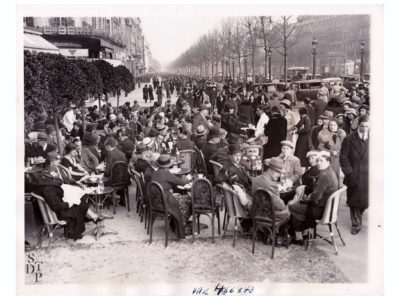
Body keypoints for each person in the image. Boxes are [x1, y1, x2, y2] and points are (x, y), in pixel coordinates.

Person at [288, 151, 338, 245]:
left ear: (328, 162)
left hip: (321, 210)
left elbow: (315, 198)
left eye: (321, 161)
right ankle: (306, 232)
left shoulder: (324, 176)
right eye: (318, 160)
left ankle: (299, 236)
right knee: (297, 204)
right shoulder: (330, 172)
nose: (318, 162)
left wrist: (305, 199)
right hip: (328, 208)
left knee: (292, 206)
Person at [339, 115, 369, 235]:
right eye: (363, 126)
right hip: (353, 175)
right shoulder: (349, 139)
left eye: (367, 126)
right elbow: (343, 157)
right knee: (354, 201)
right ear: (358, 125)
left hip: (368, 176)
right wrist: (349, 172)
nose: (365, 129)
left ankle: (358, 216)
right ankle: (356, 223)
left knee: (366, 202)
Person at [150, 154, 192, 238]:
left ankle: (176, 224)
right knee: (188, 200)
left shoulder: (155, 172)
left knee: (180, 198)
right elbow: (182, 182)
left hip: (156, 200)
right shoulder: (166, 173)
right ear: (168, 165)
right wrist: (188, 178)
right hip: (165, 201)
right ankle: (181, 226)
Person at [214, 143, 253, 231]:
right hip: (240, 198)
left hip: (246, 191)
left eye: (240, 155)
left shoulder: (238, 164)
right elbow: (217, 179)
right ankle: (252, 225)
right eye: (236, 156)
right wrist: (228, 185)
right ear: (230, 156)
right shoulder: (227, 167)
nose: (238, 158)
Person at [251, 157, 290, 223]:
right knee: (288, 212)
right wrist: (286, 205)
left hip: (256, 213)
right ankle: (281, 233)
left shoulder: (255, 179)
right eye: (277, 172)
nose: (279, 175)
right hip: (268, 216)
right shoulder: (271, 184)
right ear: (270, 169)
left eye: (280, 173)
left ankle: (266, 231)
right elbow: (280, 206)